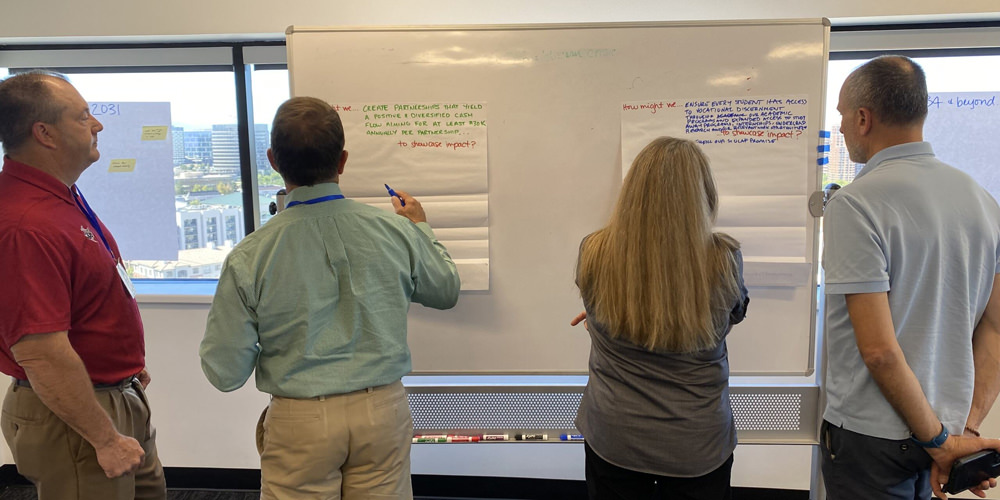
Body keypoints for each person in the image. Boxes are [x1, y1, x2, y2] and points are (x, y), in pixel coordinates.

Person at [200, 96, 461, 499]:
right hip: (382, 411)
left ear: (272, 159)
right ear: (342, 161)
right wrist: (420, 227)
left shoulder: (250, 256)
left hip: (299, 417)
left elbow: (224, 372)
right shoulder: (396, 231)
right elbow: (444, 291)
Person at [822, 55, 1000, 500]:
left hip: (873, 440)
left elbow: (880, 351)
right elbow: (995, 326)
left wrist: (940, 441)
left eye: (842, 115)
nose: (840, 127)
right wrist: (961, 433)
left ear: (863, 119)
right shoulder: (982, 202)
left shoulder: (856, 204)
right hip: (946, 430)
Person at [0, 71, 165, 499]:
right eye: (83, 116)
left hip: (113, 394)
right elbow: (39, 351)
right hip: (76, 418)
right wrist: (105, 438)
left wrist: (122, 362)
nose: (98, 125)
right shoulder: (25, 224)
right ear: (45, 134)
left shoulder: (60, 196)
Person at [571, 137, 750, 500]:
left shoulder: (594, 251)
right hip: (696, 443)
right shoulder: (723, 259)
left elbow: (603, 306)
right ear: (704, 193)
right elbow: (730, 316)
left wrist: (601, 319)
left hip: (615, 436)